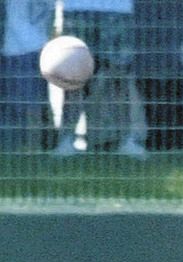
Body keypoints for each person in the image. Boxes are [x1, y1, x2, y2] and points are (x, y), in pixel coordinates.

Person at [54, 0, 146, 156]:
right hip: (78, 8)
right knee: (73, 76)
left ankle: (125, 139)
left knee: (119, 76)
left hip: (118, 9)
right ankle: (66, 140)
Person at [0, 0, 52, 151]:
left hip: (18, 49)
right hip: (35, 46)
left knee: (29, 104)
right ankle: (28, 145)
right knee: (30, 102)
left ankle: (32, 146)